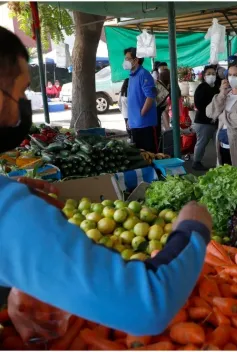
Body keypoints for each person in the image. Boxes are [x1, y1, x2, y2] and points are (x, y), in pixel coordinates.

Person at [0, 26, 213, 336]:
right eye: (19, 94)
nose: (22, 109)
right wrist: (192, 230)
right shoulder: (10, 212)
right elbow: (146, 304)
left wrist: (23, 273)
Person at [123, 47, 159, 153]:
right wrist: (130, 119)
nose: (125, 61)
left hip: (145, 124)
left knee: (150, 155)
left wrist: (141, 113)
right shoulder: (132, 76)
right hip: (135, 124)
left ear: (136, 60)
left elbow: (150, 96)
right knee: (141, 155)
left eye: (127, 58)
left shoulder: (143, 74)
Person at [192, 65, 220, 171]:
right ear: (204, 76)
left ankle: (220, 163)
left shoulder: (216, 87)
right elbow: (199, 105)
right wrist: (210, 115)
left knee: (217, 143)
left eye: (213, 73)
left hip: (214, 121)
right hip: (203, 122)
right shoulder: (201, 88)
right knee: (202, 143)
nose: (211, 76)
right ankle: (196, 162)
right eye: (208, 74)